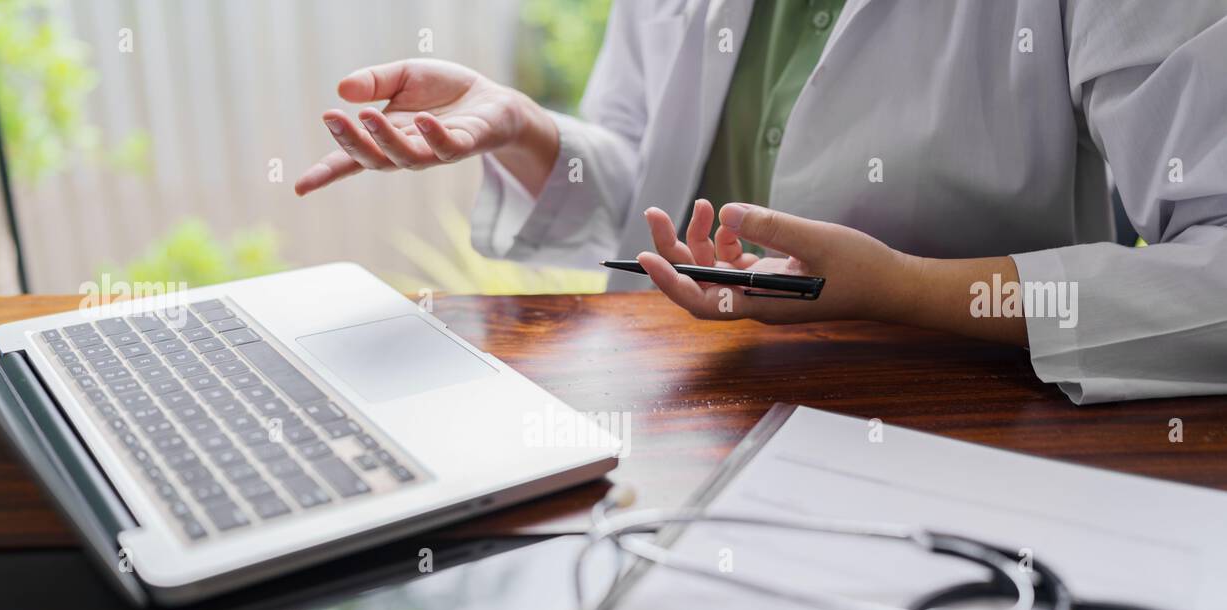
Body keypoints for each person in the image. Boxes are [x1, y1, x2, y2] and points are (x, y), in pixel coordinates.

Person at [296, 0, 1227, 404]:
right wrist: (531, 135)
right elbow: (652, 195)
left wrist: (903, 289)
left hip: (962, 448)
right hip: (679, 424)